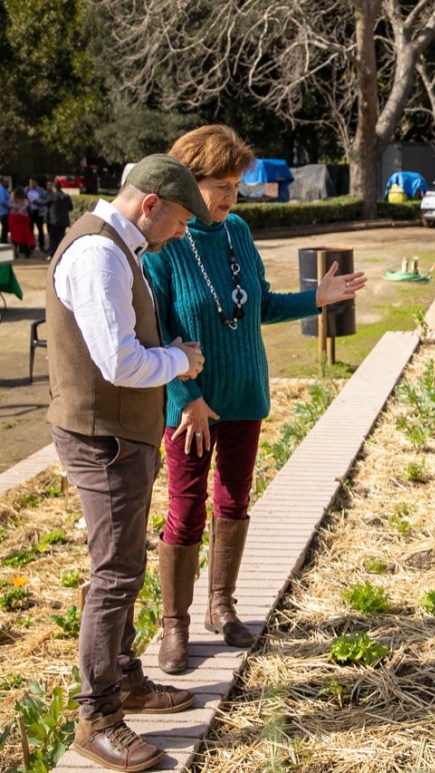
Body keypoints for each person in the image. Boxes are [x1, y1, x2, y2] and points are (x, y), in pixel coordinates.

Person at [143, 125, 366, 675]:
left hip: (245, 394)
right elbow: (157, 333)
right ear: (188, 182)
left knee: (234, 502)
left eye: (236, 185)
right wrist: (187, 396)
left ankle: (221, 605)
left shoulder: (238, 232)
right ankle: (175, 624)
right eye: (221, 185)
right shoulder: (165, 243)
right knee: (185, 510)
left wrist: (316, 299)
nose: (231, 196)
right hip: (192, 408)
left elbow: (258, 304)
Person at [47, 154, 213, 772]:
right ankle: (97, 718)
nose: (183, 232)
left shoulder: (119, 247)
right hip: (104, 439)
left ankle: (123, 678)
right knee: (115, 573)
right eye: (181, 220)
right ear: (150, 205)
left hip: (119, 435)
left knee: (123, 564)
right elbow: (119, 363)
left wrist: (167, 353)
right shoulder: (99, 254)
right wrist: (180, 361)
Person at [42, 180, 73, 257]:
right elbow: (71, 208)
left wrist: (33, 201)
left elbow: (43, 203)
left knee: (53, 239)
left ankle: (52, 254)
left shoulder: (52, 196)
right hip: (63, 221)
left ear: (53, 187)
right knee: (61, 238)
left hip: (53, 221)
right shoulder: (66, 196)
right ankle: (61, 254)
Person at [8, 186, 35, 258]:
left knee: (15, 236)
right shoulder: (25, 201)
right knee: (25, 236)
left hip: (14, 219)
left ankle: (15, 253)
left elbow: (9, 206)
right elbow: (26, 207)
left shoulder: (12, 200)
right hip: (22, 219)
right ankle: (26, 253)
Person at [26, 177, 47, 253]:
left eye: (33, 183)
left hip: (38, 212)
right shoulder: (26, 190)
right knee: (30, 230)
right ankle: (31, 245)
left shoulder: (41, 191)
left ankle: (41, 245)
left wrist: (36, 201)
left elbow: (46, 200)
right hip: (30, 212)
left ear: (36, 183)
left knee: (40, 230)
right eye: (30, 182)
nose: (31, 184)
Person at [0, 176, 10, 243]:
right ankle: (3, 241)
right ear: (2, 182)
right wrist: (10, 204)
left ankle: (4, 240)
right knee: (5, 227)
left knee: (6, 227)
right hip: (3, 212)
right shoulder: (1, 190)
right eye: (6, 182)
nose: (7, 183)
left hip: (5, 211)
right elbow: (2, 201)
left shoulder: (4, 189)